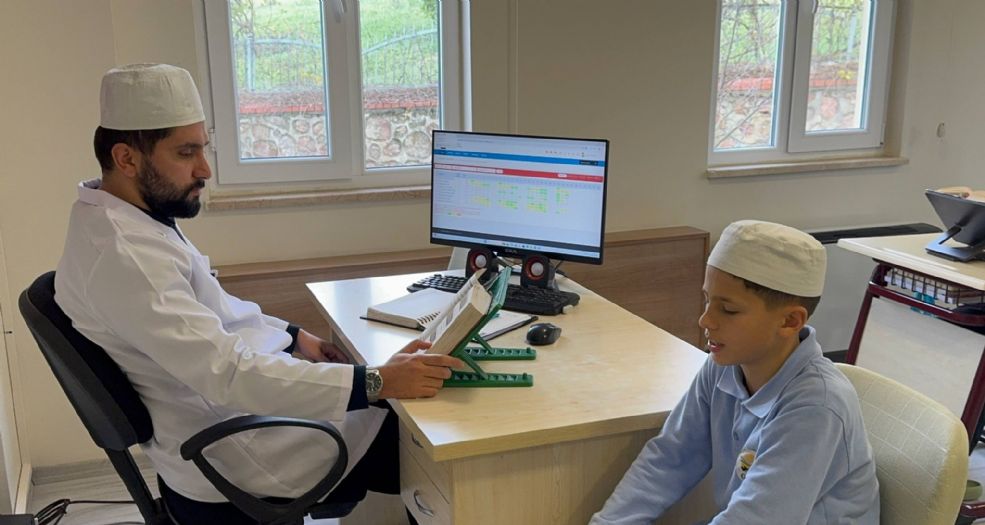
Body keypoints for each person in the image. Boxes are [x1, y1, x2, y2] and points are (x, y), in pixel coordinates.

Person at [54, 63, 464, 524]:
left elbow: (214, 309)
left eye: (203, 148)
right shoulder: (127, 256)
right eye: (186, 153)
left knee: (404, 403)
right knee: (443, 440)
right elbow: (229, 373)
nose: (205, 169)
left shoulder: (120, 217)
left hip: (230, 420)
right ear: (126, 159)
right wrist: (376, 381)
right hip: (244, 451)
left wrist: (294, 335)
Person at [590, 220, 879, 524]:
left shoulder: (816, 407)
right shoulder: (724, 365)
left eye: (728, 310)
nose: (705, 320)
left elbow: (756, 518)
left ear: (790, 321)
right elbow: (669, 459)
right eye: (707, 300)